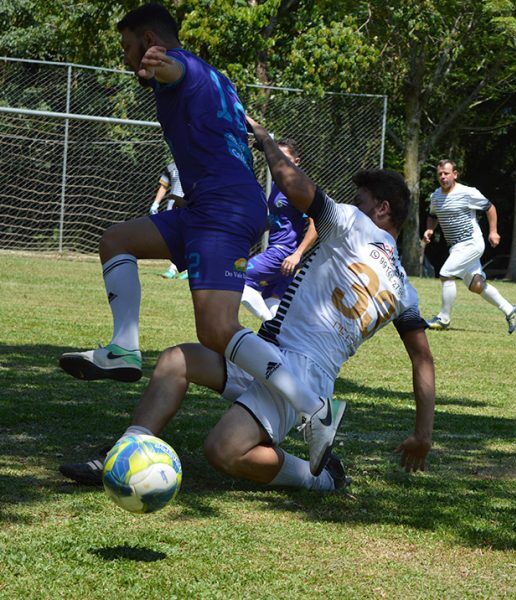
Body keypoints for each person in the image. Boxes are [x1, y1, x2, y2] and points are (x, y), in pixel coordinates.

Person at [60, 117, 436, 491]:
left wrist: (265, 141)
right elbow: (422, 359)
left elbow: (294, 186)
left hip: (301, 374)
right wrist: (423, 434)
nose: (352, 204)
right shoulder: (406, 290)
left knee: (224, 450)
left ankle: (318, 477)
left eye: (360, 200)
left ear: (382, 209)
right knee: (176, 361)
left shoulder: (355, 224)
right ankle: (126, 449)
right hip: (270, 356)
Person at [59, 5, 351, 478]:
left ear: (150, 40)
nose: (127, 58)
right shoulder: (216, 77)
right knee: (116, 241)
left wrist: (158, 62)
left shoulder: (179, 65)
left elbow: (173, 68)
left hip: (224, 208)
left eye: (129, 48)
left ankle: (314, 408)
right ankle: (123, 349)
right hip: (202, 207)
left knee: (216, 330)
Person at [422, 159, 516, 333]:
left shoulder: (468, 193)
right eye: (440, 174)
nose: (443, 177)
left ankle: (443, 319)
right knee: (476, 285)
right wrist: (430, 230)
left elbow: (490, 207)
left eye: (446, 173)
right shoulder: (436, 196)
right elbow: (433, 215)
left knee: (446, 273)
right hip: (455, 247)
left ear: (455, 174)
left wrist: (493, 232)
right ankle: (510, 310)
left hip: (471, 243)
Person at [241, 138, 318, 321]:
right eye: (276, 157)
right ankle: (280, 341)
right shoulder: (278, 184)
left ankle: (270, 330)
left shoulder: (298, 186)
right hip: (279, 253)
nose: (279, 161)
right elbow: (277, 220)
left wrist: (297, 254)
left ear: (296, 161)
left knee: (235, 277)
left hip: (284, 254)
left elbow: (315, 225)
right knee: (272, 300)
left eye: (284, 157)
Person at [149, 161, 188, 280]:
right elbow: (164, 186)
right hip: (172, 206)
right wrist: (155, 204)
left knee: (186, 237)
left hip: (189, 205)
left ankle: (182, 269)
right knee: (173, 239)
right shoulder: (171, 166)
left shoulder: (195, 162)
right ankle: (175, 268)